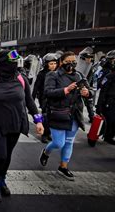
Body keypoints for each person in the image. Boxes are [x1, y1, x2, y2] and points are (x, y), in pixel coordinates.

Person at [0, 49, 44, 204]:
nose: (15, 65)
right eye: (12, 62)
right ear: (3, 63)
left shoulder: (21, 79)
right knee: (1, 155)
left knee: (8, 155)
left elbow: (30, 102)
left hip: (15, 124)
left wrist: (39, 121)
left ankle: (2, 180)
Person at [39, 51, 92, 181]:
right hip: (58, 113)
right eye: (68, 61)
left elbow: (90, 92)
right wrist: (66, 90)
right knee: (58, 143)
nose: (71, 64)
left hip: (74, 113)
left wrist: (87, 93)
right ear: (61, 62)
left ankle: (63, 167)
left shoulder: (79, 75)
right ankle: (46, 152)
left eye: (74, 61)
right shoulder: (53, 75)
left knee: (68, 142)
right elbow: (48, 92)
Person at [32, 53, 59, 143]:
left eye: (55, 63)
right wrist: (32, 98)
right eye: (51, 63)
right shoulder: (42, 74)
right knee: (45, 116)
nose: (53, 65)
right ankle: (44, 135)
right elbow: (36, 86)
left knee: (52, 117)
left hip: (54, 97)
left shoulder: (57, 74)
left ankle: (49, 133)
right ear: (46, 64)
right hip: (43, 98)